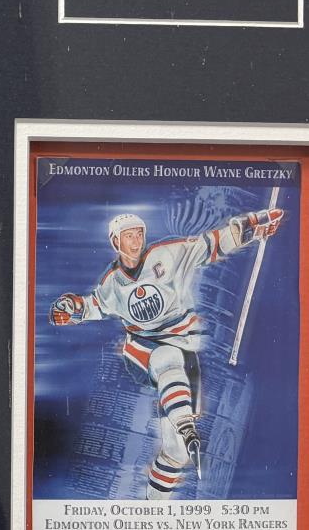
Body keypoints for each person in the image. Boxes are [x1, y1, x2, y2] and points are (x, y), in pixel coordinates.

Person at [48, 207, 286, 499]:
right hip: (144, 349)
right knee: (165, 358)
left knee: (177, 452)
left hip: (184, 346)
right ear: (116, 242)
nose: (135, 241)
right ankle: (185, 423)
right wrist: (70, 309)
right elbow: (91, 306)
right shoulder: (113, 282)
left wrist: (250, 228)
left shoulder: (167, 254)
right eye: (128, 236)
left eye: (139, 234)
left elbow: (210, 245)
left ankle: (153, 508)